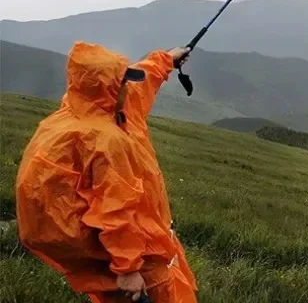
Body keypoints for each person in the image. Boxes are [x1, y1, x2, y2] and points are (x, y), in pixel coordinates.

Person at [15, 42, 198, 303]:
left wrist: (166, 60)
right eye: (121, 82)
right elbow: (115, 209)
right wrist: (128, 269)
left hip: (111, 253)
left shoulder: (81, 109)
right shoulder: (103, 140)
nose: (127, 87)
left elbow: (140, 84)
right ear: (107, 88)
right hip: (138, 259)